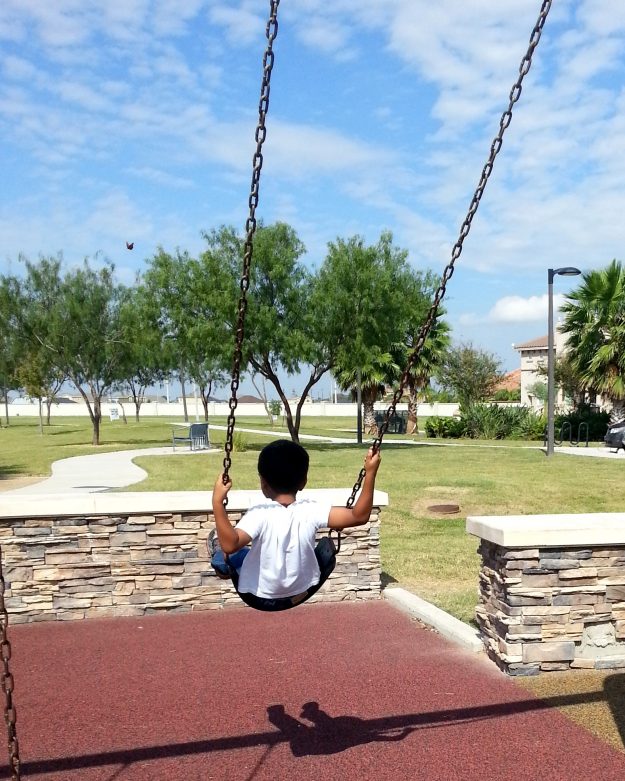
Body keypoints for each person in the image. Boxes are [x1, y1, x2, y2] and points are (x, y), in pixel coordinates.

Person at [209, 439, 381, 600]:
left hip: (261, 594)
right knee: (244, 552)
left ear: (263, 483)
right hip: (301, 589)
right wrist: (371, 472)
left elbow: (230, 544)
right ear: (303, 481)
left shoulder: (258, 513)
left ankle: (219, 559)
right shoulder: (312, 510)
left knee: (228, 552)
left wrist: (217, 502)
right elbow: (359, 516)